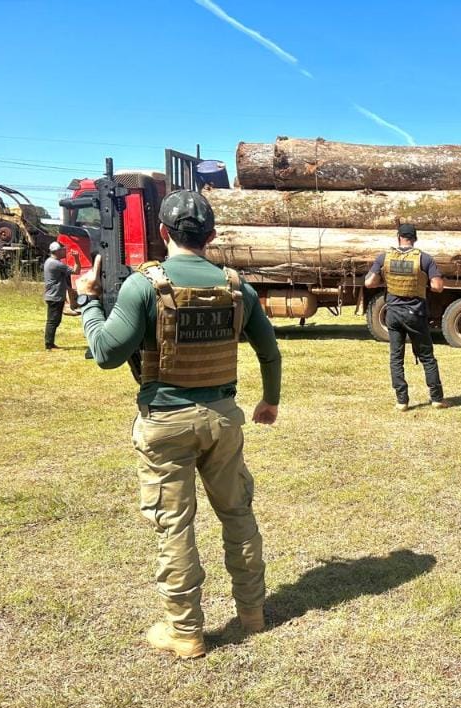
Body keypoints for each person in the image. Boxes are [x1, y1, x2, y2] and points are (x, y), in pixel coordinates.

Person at [74, 190, 282, 660]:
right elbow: (270, 352)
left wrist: (88, 300)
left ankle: (185, 632)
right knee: (238, 514)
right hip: (223, 419)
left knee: (175, 527)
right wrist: (269, 400)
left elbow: (106, 353)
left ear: (163, 233)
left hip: (166, 423)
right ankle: (252, 613)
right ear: (212, 235)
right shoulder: (237, 288)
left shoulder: (144, 286)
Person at [364, 223, 448, 410]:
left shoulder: (384, 257)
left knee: (396, 358)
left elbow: (369, 283)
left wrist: (384, 279)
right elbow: (437, 287)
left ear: (398, 237)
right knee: (427, 357)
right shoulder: (424, 259)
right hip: (415, 314)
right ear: (415, 239)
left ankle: (401, 401)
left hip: (393, 313)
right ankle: (437, 398)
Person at [42, 241, 79, 349]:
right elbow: (76, 271)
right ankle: (49, 344)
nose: (65, 251)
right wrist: (76, 258)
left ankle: (50, 343)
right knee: (53, 321)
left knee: (55, 320)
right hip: (55, 296)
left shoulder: (49, 261)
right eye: (63, 250)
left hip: (53, 296)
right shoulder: (56, 264)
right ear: (57, 251)